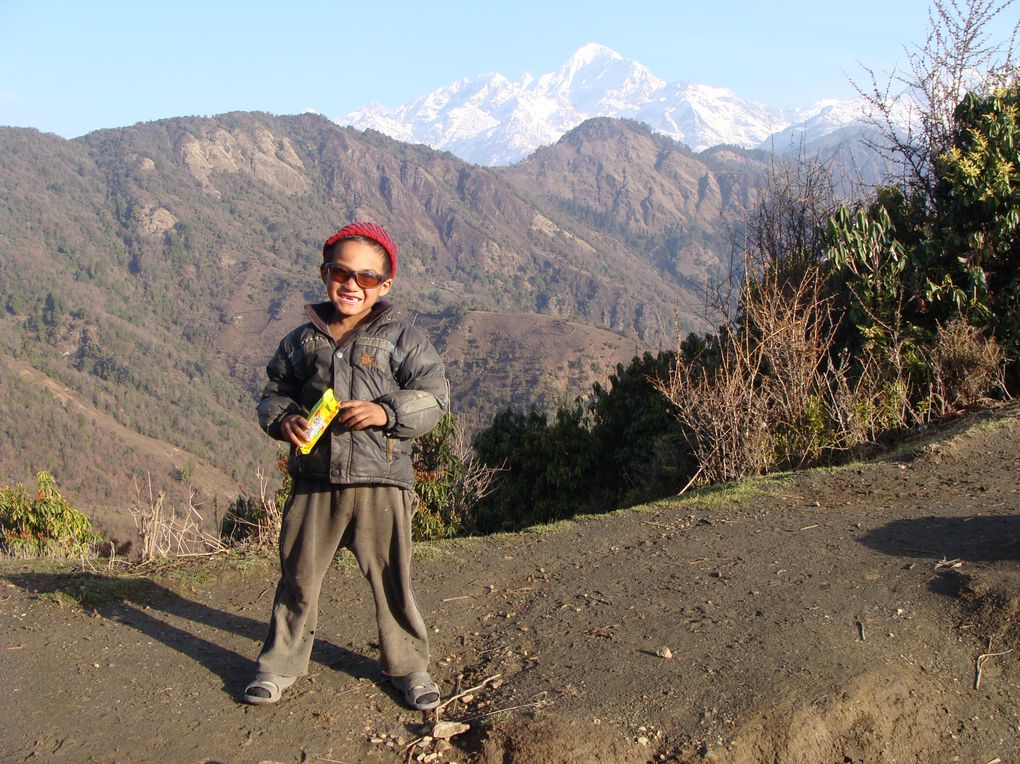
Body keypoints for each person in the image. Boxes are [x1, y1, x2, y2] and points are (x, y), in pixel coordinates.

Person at [244, 222, 449, 710]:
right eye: (341, 272)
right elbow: (275, 394)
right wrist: (284, 421)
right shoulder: (301, 342)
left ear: (385, 286)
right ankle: (278, 665)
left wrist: (386, 413)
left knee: (392, 579)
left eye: (367, 276)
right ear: (324, 274)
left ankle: (409, 667)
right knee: (298, 576)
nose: (352, 284)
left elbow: (436, 397)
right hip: (315, 480)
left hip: (381, 480)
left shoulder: (402, 338)